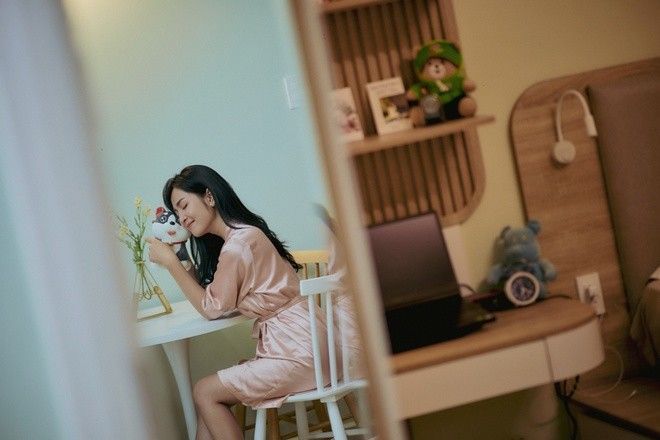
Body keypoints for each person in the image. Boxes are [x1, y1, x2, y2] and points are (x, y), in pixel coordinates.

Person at [147, 165, 328, 440]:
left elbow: (210, 308)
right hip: (307, 343)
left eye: (184, 205)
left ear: (209, 197)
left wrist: (171, 264)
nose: (182, 218)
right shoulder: (242, 235)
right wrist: (182, 257)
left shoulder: (237, 245)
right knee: (208, 399)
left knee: (204, 392)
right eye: (177, 212)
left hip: (299, 351)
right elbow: (214, 298)